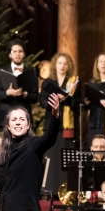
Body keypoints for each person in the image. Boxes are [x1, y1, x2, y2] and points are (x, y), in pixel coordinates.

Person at [39, 53, 78, 193]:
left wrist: (66, 99)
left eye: (65, 63)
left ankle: (66, 190)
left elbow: (77, 103)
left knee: (65, 157)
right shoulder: (47, 82)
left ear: (69, 66)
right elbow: (42, 102)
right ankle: (49, 189)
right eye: (60, 63)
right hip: (51, 123)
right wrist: (55, 100)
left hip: (68, 126)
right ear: (55, 65)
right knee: (51, 157)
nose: (62, 66)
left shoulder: (73, 82)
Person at [0, 40, 38, 130]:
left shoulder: (31, 72)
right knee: (6, 143)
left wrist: (25, 94)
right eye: (14, 51)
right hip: (5, 116)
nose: (17, 54)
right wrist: (8, 93)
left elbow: (35, 97)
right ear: (10, 55)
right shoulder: (1, 72)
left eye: (20, 51)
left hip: (24, 117)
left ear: (24, 54)